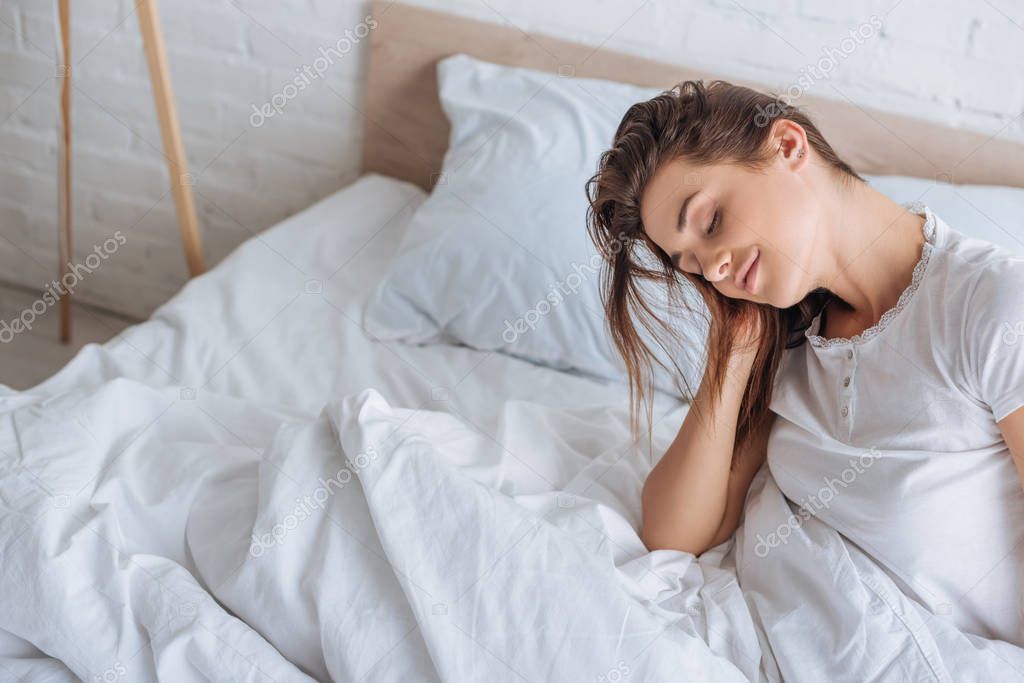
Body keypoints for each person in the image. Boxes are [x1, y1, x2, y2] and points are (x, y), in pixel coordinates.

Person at [584, 80, 1024, 644]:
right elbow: (677, 536)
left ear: (788, 145)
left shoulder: (989, 306)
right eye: (692, 265)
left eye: (711, 221)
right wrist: (731, 351)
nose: (713, 270)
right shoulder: (790, 337)